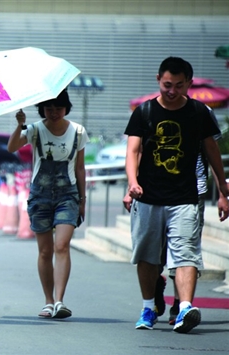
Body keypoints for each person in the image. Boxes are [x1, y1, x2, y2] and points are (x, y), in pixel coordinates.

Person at [124, 56, 229, 333]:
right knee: (147, 256)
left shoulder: (198, 112)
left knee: (186, 255)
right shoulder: (144, 112)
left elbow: (212, 151)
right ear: (159, 79)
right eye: (167, 84)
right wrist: (132, 183)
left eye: (179, 86)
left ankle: (183, 308)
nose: (172, 91)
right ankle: (148, 308)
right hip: (147, 197)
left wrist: (223, 190)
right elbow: (133, 152)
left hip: (185, 197)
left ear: (189, 84)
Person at [7, 89, 88, 319]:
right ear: (42, 109)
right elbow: (11, 147)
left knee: (62, 245)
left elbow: (80, 168)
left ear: (66, 108)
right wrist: (20, 125)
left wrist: (82, 200)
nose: (53, 113)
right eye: (49, 108)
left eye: (58, 108)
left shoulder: (78, 131)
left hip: (68, 196)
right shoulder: (34, 129)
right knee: (45, 251)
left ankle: (60, 300)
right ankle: (48, 301)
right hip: (40, 196)